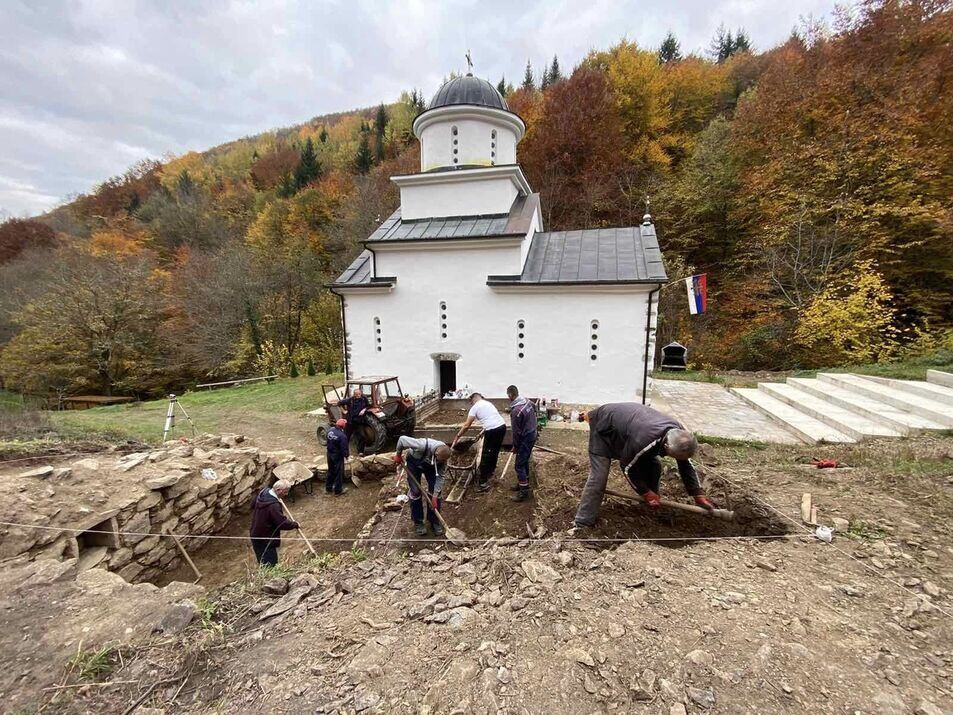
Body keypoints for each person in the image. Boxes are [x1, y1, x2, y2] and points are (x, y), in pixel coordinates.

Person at [573, 402, 716, 529]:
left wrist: (698, 494)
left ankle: (649, 505)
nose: (676, 459)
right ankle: (583, 522)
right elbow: (627, 467)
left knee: (654, 466)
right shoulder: (644, 440)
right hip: (605, 427)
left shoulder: (680, 435)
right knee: (599, 478)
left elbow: (685, 464)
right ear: (666, 446)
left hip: (630, 427)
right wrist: (645, 492)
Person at [393, 435, 452, 536]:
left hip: (432, 468)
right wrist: (398, 455)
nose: (441, 462)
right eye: (439, 460)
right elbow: (402, 439)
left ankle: (434, 521)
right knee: (415, 492)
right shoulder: (421, 445)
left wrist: (434, 497)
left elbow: (441, 477)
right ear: (436, 453)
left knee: (436, 493)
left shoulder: (442, 460)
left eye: (442, 461)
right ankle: (418, 523)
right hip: (414, 464)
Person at [454, 392, 507, 492]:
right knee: (494, 450)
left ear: (472, 400)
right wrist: (484, 430)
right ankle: (490, 471)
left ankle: (482, 483)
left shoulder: (475, 407)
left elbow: (466, 425)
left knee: (486, 454)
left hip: (492, 430)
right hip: (502, 427)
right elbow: (491, 418)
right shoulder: (488, 403)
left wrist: (458, 436)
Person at [249, 479, 299, 566]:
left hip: (255, 533)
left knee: (261, 559)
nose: (286, 494)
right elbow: (281, 523)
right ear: (278, 490)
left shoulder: (263, 492)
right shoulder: (273, 505)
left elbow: (252, 505)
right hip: (266, 538)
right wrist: (295, 524)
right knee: (270, 563)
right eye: (285, 492)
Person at [506, 385, 537, 502]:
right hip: (532, 433)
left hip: (525, 438)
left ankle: (524, 492)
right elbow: (535, 407)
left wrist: (515, 445)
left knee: (519, 465)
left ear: (510, 395)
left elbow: (516, 432)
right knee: (524, 460)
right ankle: (524, 482)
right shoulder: (527, 402)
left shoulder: (516, 412)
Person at [340, 387, 370, 455]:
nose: (359, 396)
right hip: (350, 421)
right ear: (354, 395)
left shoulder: (364, 398)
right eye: (357, 395)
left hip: (359, 422)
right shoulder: (350, 400)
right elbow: (340, 403)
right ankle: (344, 452)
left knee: (363, 436)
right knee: (346, 437)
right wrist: (344, 411)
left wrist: (364, 409)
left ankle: (360, 451)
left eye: (359, 394)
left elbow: (368, 406)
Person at [326, 418, 349, 496]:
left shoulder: (330, 430)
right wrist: (346, 455)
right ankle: (338, 491)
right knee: (339, 473)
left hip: (329, 453)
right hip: (337, 456)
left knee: (331, 470)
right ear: (343, 426)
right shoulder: (342, 436)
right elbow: (344, 448)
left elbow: (327, 441)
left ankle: (328, 488)